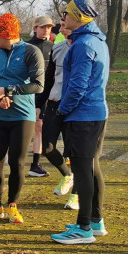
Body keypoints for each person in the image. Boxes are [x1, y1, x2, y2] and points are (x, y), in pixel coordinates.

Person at [51, 0, 110, 245]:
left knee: (82, 171)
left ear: (80, 17)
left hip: (83, 116)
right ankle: (95, 221)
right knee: (92, 168)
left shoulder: (83, 44)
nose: (64, 17)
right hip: (95, 113)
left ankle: (83, 227)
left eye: (68, 13)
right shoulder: (96, 40)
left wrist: (62, 111)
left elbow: (77, 86)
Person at [0, 14, 45, 224]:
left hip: (22, 117)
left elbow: (38, 85)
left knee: (17, 162)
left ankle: (13, 205)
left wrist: (8, 91)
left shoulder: (30, 52)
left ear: (7, 34)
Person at [41, 25, 78, 209]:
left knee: (76, 154)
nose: (63, 29)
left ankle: (76, 195)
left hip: (74, 106)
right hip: (54, 103)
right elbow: (49, 78)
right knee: (47, 147)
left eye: (66, 25)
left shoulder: (83, 47)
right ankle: (67, 175)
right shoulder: (57, 48)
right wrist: (41, 103)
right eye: (61, 25)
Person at [26, 16, 55, 178]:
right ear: (35, 27)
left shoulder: (54, 48)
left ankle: (35, 164)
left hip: (45, 95)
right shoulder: (26, 47)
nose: (46, 30)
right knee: (21, 128)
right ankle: (11, 156)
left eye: (49, 27)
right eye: (43, 27)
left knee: (39, 128)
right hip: (27, 94)